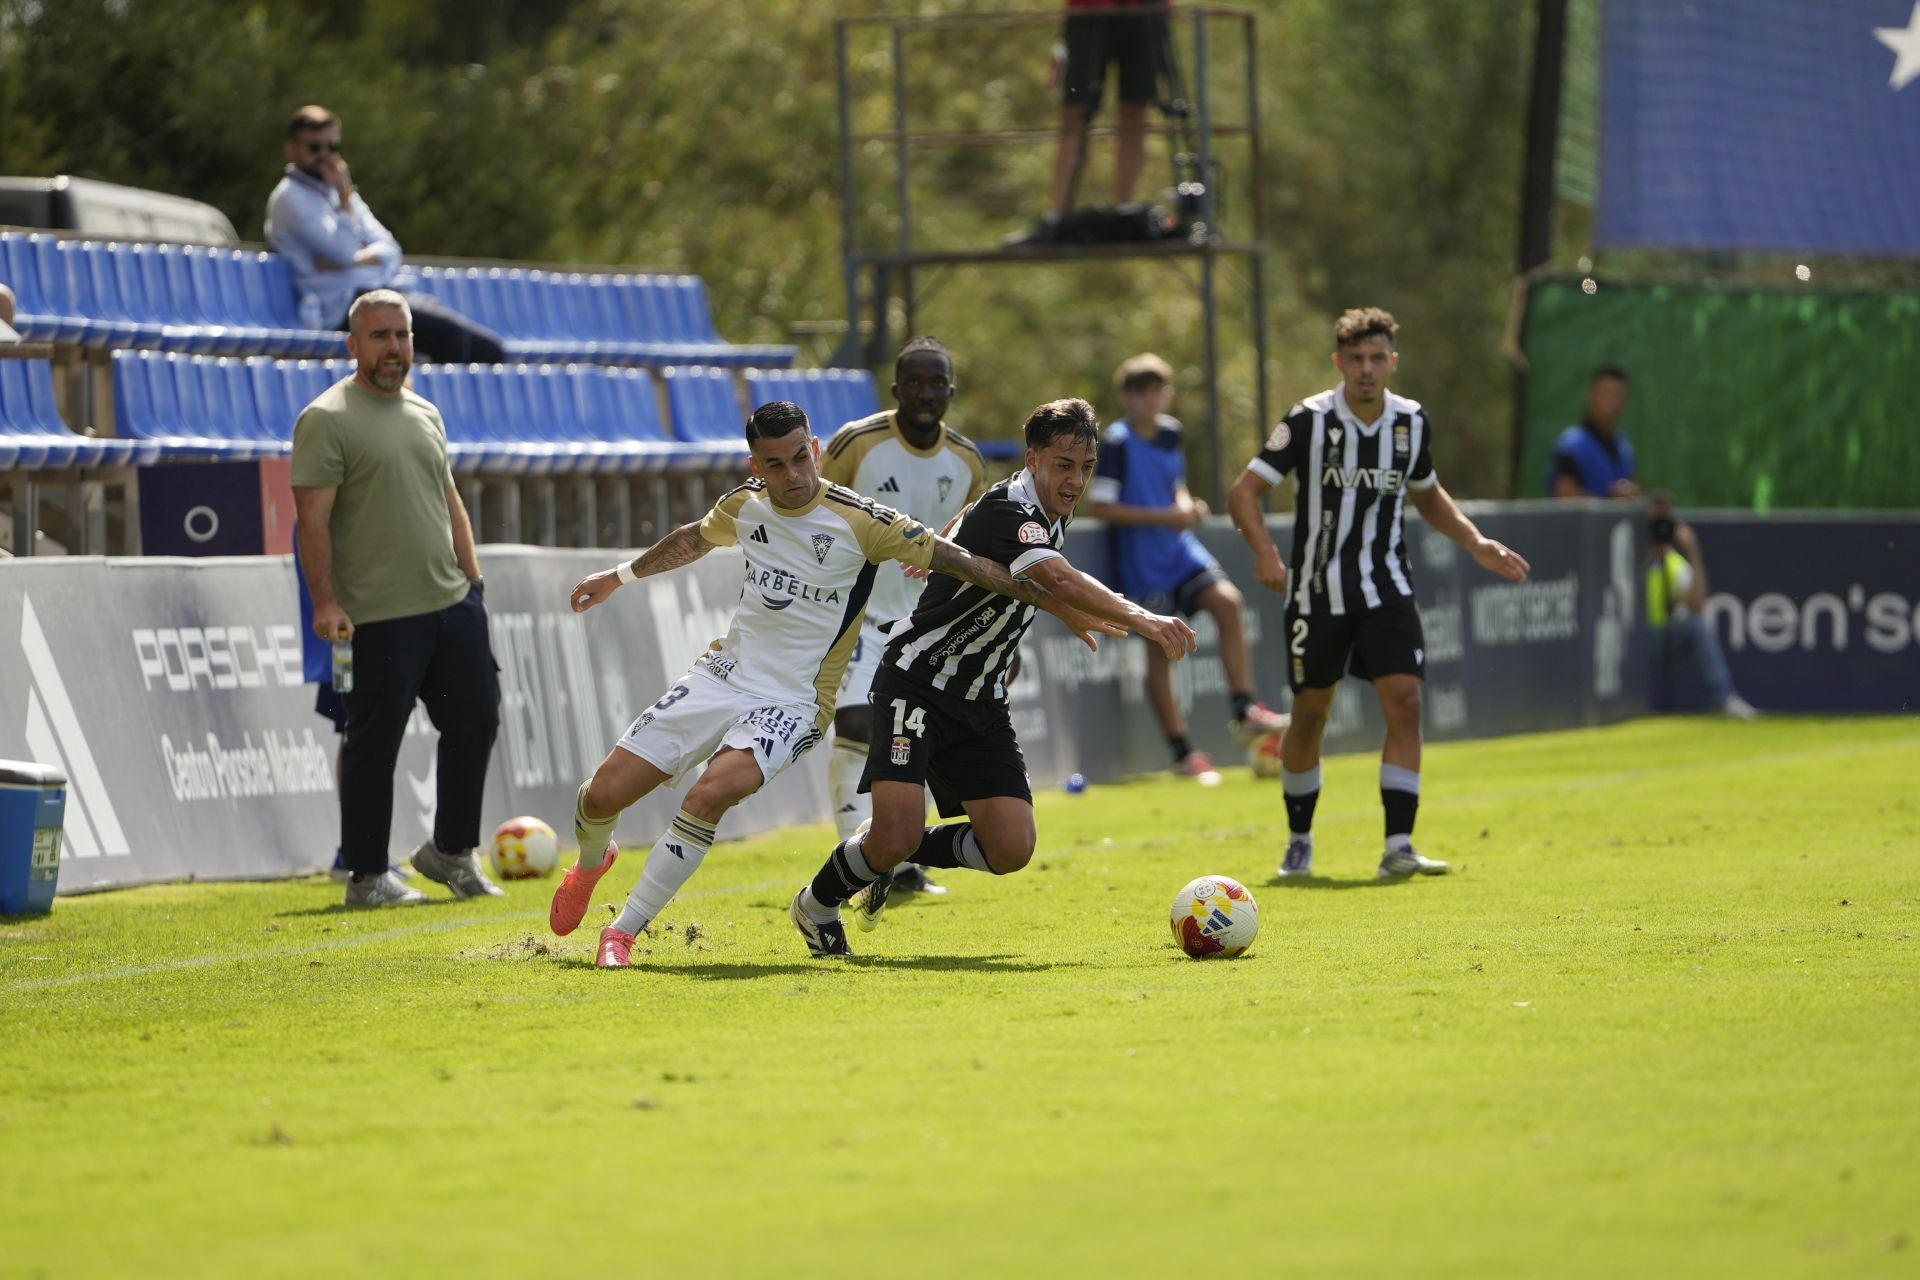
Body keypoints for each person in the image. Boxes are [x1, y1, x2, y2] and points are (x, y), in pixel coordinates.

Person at [549, 401, 1130, 969]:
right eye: (776, 465)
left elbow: (966, 559)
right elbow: (694, 537)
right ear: (757, 467)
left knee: (710, 794)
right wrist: (619, 577)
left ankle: (622, 932)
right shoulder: (744, 505)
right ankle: (593, 862)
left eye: (802, 457)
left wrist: (1061, 607)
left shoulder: (863, 520)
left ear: (818, 451)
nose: (794, 474)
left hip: (796, 699)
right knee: (601, 797)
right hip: (721, 675)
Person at [789, 397, 1199, 957]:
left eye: (1086, 467)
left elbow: (1017, 569)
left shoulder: (1041, 502)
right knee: (896, 835)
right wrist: (1142, 616)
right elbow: (1055, 574)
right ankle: (816, 907)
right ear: (1032, 459)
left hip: (981, 697)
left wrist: (952, 537)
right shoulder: (1013, 509)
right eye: (1063, 465)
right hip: (916, 681)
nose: (1076, 480)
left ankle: (880, 852)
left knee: (1011, 847)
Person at [1226, 307, 1531, 880]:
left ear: (1393, 362)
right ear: (1339, 363)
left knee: (1406, 703)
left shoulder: (1411, 422)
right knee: (1311, 716)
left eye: (1377, 359)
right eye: (1356, 359)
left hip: (1387, 585)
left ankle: (1399, 844)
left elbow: (1428, 494)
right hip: (1318, 593)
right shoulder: (1309, 421)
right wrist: (1266, 552)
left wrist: (1476, 542)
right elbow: (1245, 492)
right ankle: (1299, 840)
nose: (1367, 370)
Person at [291, 289, 502, 907]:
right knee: (372, 743)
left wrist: (472, 575)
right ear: (353, 345)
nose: (394, 348)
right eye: (380, 336)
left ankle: (451, 853)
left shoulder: (425, 412)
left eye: (402, 335)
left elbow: (448, 497)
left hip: (450, 602)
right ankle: (366, 876)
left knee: (477, 720)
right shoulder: (326, 418)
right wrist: (326, 603)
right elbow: (313, 522)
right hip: (375, 615)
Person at [820, 335, 989, 894]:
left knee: (907, 742)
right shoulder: (856, 444)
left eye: (936, 383)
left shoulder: (966, 460)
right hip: (859, 614)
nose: (925, 393)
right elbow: (810, 511)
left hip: (929, 625)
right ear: (895, 390)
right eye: (913, 382)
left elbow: (981, 553)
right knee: (855, 727)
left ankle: (892, 861)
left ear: (951, 391)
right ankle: (866, 869)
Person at [1090, 353, 1289, 780]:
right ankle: (1184, 753)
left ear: (1167, 395)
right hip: (1141, 562)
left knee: (1228, 603)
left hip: (1181, 551)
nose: (1149, 400)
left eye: (1156, 391)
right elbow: (1102, 506)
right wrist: (1167, 515)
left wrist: (1184, 505)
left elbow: (1174, 486)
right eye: (1140, 392)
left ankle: (1245, 709)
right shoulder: (1117, 443)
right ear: (1127, 397)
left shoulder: (1171, 434)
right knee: (1160, 652)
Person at [265, 105, 505, 364]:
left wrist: (351, 259)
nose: (325, 156)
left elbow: (390, 249)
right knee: (451, 338)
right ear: (292, 149)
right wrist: (347, 204)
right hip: (342, 309)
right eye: (315, 148)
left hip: (381, 294)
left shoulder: (338, 192)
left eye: (332, 147)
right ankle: (434, 405)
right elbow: (345, 249)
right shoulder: (290, 198)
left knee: (488, 349)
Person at [1016, 1, 1170, 244]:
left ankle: (1125, 213)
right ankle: (1056, 218)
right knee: (1075, 113)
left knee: (1135, 110)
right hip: (1087, 10)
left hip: (1144, 12)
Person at [1646, 493, 1757, 719]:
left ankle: (1722, 697)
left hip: (1656, 640)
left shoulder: (1672, 562)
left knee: (1697, 625)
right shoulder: (1624, 552)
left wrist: (1693, 551)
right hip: (1626, 641)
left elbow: (1697, 604)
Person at [1549, 367, 1639, 499]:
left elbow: (1633, 488)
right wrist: (1610, 503)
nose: (1613, 402)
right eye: (1607, 394)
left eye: (1619, 395)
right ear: (1592, 394)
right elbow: (1565, 495)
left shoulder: (1624, 447)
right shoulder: (1571, 444)